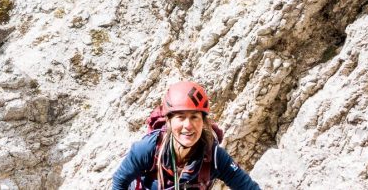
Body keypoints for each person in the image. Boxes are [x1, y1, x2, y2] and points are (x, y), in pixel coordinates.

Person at [112, 81, 261, 190]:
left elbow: (247, 187)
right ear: (169, 121)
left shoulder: (214, 156)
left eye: (195, 117)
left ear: (203, 122)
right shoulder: (148, 148)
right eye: (180, 117)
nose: (188, 125)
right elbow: (120, 181)